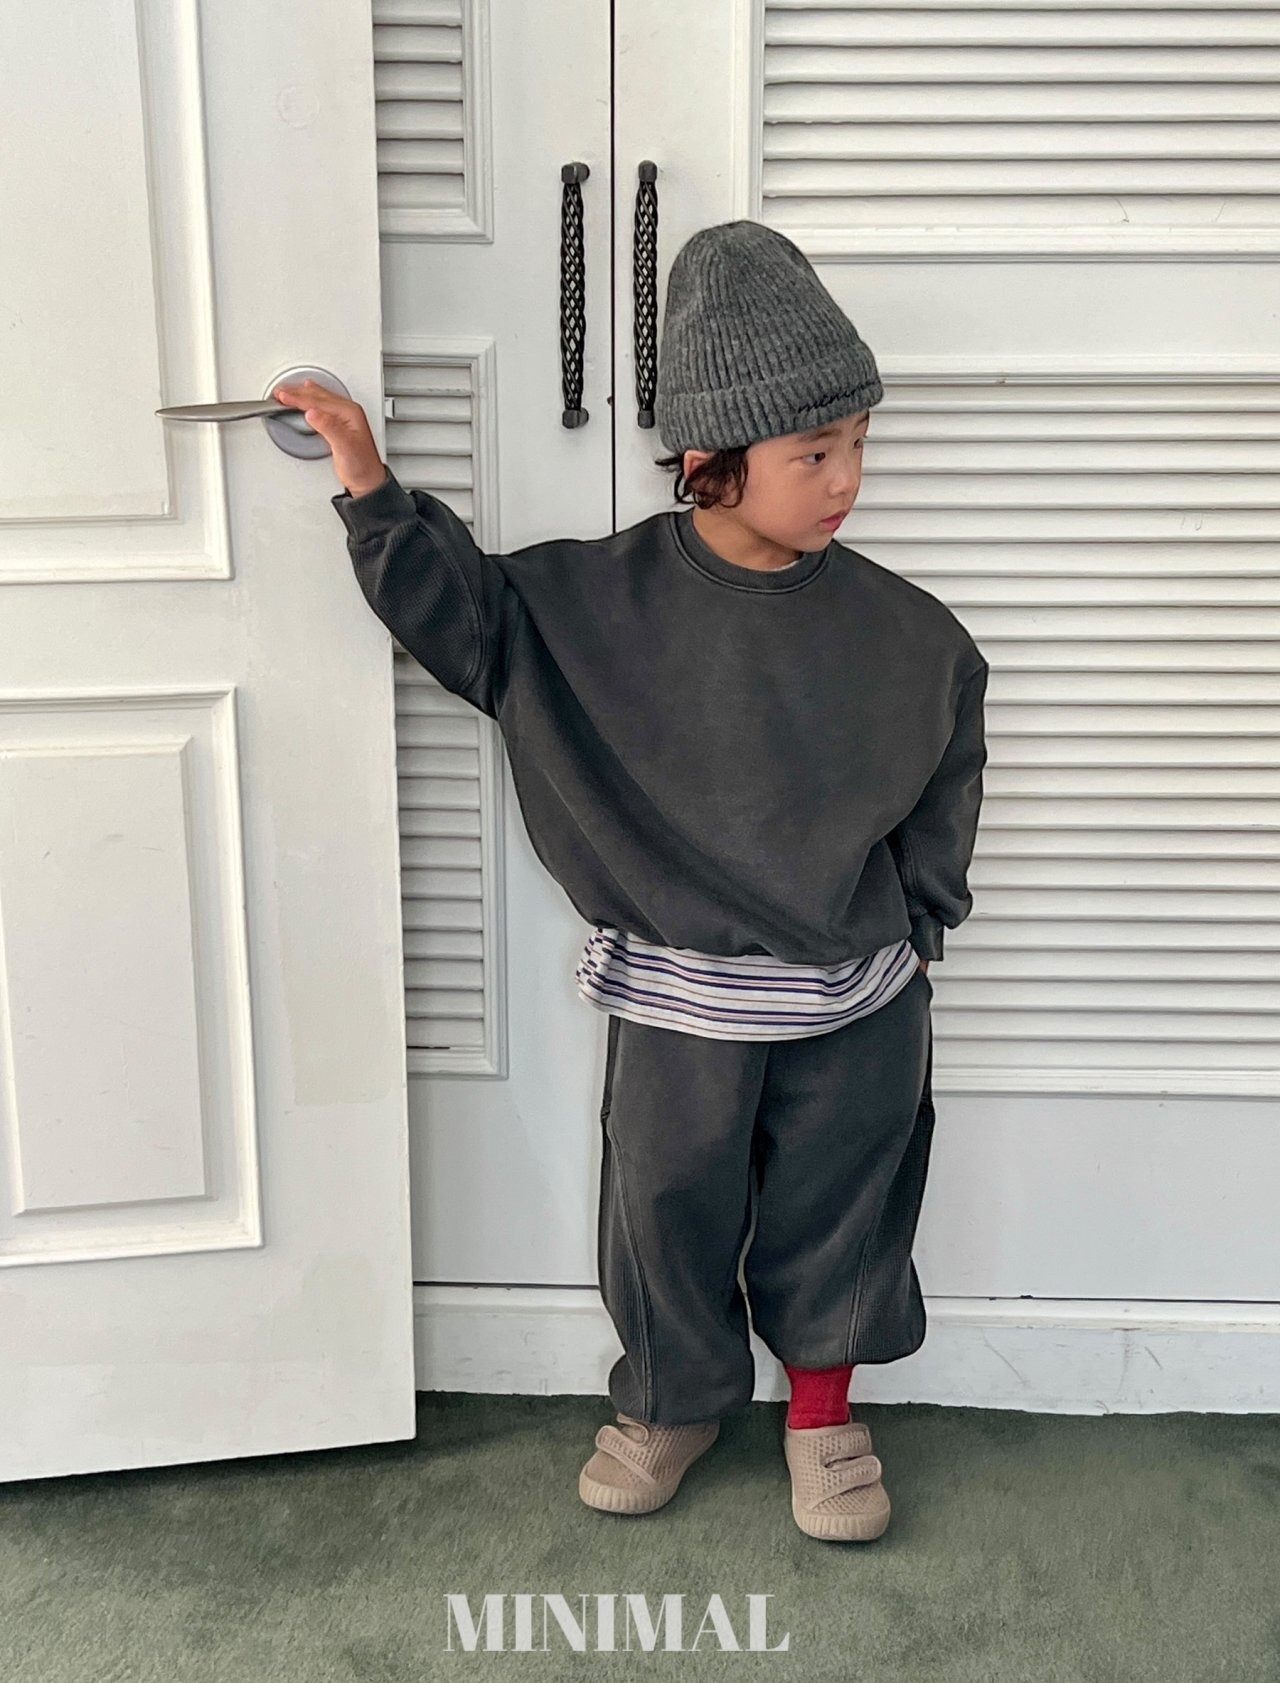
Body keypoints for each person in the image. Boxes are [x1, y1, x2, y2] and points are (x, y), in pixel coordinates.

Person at [274, 220, 987, 1544]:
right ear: (711, 459)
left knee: (845, 1206)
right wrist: (367, 480)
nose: (847, 479)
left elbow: (949, 776)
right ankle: (669, 1401)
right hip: (679, 1000)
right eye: (814, 452)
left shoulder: (910, 634)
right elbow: (462, 618)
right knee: (663, 1211)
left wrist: (924, 922)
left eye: (859, 443)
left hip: (859, 997)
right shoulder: (589, 604)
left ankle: (823, 1416)